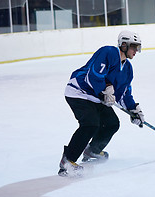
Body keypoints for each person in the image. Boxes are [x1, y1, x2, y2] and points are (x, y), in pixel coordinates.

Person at [58, 30, 145, 177]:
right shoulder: (108, 52)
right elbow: (93, 76)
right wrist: (105, 89)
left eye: (137, 47)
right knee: (90, 124)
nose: (136, 51)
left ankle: (92, 150)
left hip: (97, 98)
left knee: (112, 123)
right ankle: (68, 161)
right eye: (133, 46)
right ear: (123, 45)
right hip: (79, 92)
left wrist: (133, 109)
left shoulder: (128, 69)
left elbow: (123, 94)